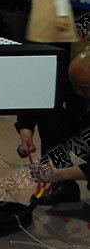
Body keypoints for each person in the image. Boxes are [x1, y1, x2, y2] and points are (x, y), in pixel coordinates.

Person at [16, 0, 81, 204]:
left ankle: (55, 177)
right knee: (59, 96)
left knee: (44, 91)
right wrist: (64, 19)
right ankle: (60, 180)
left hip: (37, 26)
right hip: (56, 26)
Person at [30, 51, 90, 188]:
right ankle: (62, 186)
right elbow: (38, 101)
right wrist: (26, 131)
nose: (78, 92)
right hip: (81, 141)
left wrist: (59, 174)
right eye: (75, 85)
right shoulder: (69, 85)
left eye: (84, 88)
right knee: (52, 112)